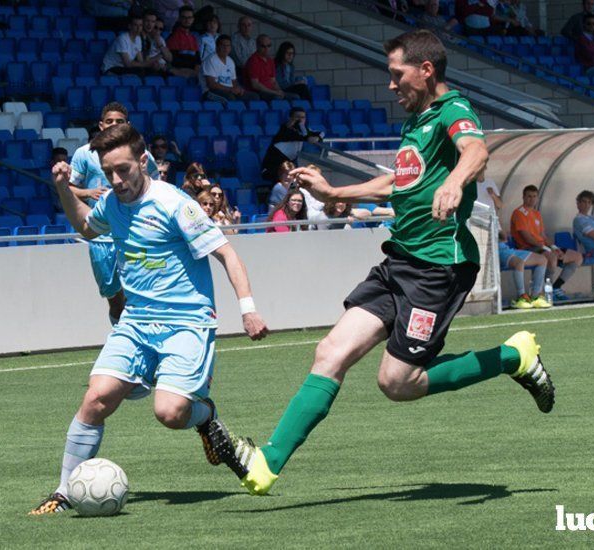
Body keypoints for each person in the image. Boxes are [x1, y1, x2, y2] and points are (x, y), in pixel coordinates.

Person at [237, 30, 555, 496]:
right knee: (330, 352)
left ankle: (513, 356)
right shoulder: (416, 121)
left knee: (397, 382)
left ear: (425, 70)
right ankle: (267, 463)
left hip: (438, 268)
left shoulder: (454, 110)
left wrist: (456, 184)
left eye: (396, 74)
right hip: (398, 263)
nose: (390, 85)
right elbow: (397, 185)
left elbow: (476, 151)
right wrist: (333, 193)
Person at [30, 123, 268, 515]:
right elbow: (87, 227)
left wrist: (248, 309)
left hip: (186, 323)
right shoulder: (112, 203)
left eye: (123, 169)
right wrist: (62, 189)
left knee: (170, 413)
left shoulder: (175, 204)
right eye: (108, 173)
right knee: (96, 397)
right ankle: (64, 492)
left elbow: (226, 253)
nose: (116, 180)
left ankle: (205, 415)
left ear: (144, 161)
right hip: (137, 322)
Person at [69, 102, 157, 326]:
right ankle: (122, 338)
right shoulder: (84, 153)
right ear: (101, 125)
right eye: (109, 121)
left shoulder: (142, 154)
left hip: (135, 231)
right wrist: (88, 192)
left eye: (119, 122)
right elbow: (68, 188)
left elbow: (156, 186)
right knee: (115, 300)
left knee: (141, 293)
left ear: (128, 125)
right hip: (101, 237)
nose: (114, 125)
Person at [510, 185, 583, 301]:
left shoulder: (536, 214)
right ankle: (544, 291)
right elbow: (527, 238)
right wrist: (549, 249)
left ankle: (556, 287)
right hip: (528, 248)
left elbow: (543, 235)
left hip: (543, 247)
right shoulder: (519, 213)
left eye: (534, 196)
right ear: (523, 197)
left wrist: (555, 247)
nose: (532, 199)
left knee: (577, 257)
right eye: (529, 196)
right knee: (552, 257)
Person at [261, 108, 323, 183]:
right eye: (297, 117)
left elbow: (321, 133)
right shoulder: (284, 130)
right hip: (272, 167)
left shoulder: (304, 130)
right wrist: (304, 131)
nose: (300, 120)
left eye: (303, 117)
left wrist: (317, 137)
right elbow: (304, 137)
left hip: (287, 166)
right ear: (290, 118)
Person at [199, 35, 257, 105]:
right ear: (217, 47)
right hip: (211, 92)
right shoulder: (210, 60)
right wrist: (230, 89)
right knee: (230, 98)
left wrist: (238, 89)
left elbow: (234, 81)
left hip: (228, 91)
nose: (226, 48)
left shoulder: (230, 61)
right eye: (223, 45)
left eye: (228, 46)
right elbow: (211, 84)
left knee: (254, 97)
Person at [499, 230, 550, 309]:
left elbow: (503, 236)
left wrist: (502, 235)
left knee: (542, 260)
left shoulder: (495, 219)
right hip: (496, 251)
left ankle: (535, 296)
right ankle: (521, 297)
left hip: (507, 249)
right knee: (519, 263)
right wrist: (502, 235)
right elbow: (503, 236)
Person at [244, 34, 299, 101]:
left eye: (269, 46)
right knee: (277, 98)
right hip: (260, 92)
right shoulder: (253, 61)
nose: (266, 49)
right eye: (263, 46)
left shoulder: (270, 60)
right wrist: (274, 92)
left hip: (271, 91)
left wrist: (279, 91)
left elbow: (273, 81)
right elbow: (255, 85)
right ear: (257, 46)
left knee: (295, 97)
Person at [165, 6, 200, 75]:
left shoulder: (193, 38)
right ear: (179, 19)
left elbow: (197, 59)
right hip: (180, 72)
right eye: (184, 17)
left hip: (193, 72)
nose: (187, 20)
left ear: (193, 19)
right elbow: (174, 60)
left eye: (189, 17)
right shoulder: (174, 37)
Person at [140, 11, 172, 76]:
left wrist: (160, 44)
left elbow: (169, 58)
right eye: (156, 28)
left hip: (163, 66)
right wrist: (161, 55)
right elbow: (144, 61)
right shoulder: (142, 38)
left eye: (160, 29)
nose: (158, 31)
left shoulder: (161, 39)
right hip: (151, 68)